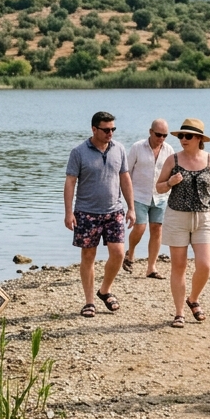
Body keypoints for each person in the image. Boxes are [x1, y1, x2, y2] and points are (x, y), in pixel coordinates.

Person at [154, 119, 210, 328]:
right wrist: (170, 182)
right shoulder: (173, 159)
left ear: (199, 139)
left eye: (188, 136)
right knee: (178, 266)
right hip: (177, 217)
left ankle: (193, 298)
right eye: (181, 136)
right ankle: (179, 313)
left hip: (204, 216)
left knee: (205, 265)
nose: (183, 140)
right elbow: (159, 188)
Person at [64, 112, 136, 317]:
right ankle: (89, 302)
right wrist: (68, 212)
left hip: (114, 211)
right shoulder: (78, 152)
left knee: (119, 253)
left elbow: (125, 178)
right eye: (106, 130)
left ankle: (105, 290)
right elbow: (70, 182)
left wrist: (131, 207)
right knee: (88, 255)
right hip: (86, 213)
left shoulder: (119, 149)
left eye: (113, 129)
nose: (110, 133)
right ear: (94, 129)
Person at [124, 119, 174, 279]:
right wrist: (127, 197)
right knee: (139, 227)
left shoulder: (169, 150)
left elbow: (171, 174)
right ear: (150, 131)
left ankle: (151, 268)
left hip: (160, 196)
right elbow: (126, 172)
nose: (161, 138)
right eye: (158, 134)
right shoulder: (137, 147)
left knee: (157, 230)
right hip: (138, 194)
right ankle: (130, 253)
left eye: (165, 135)